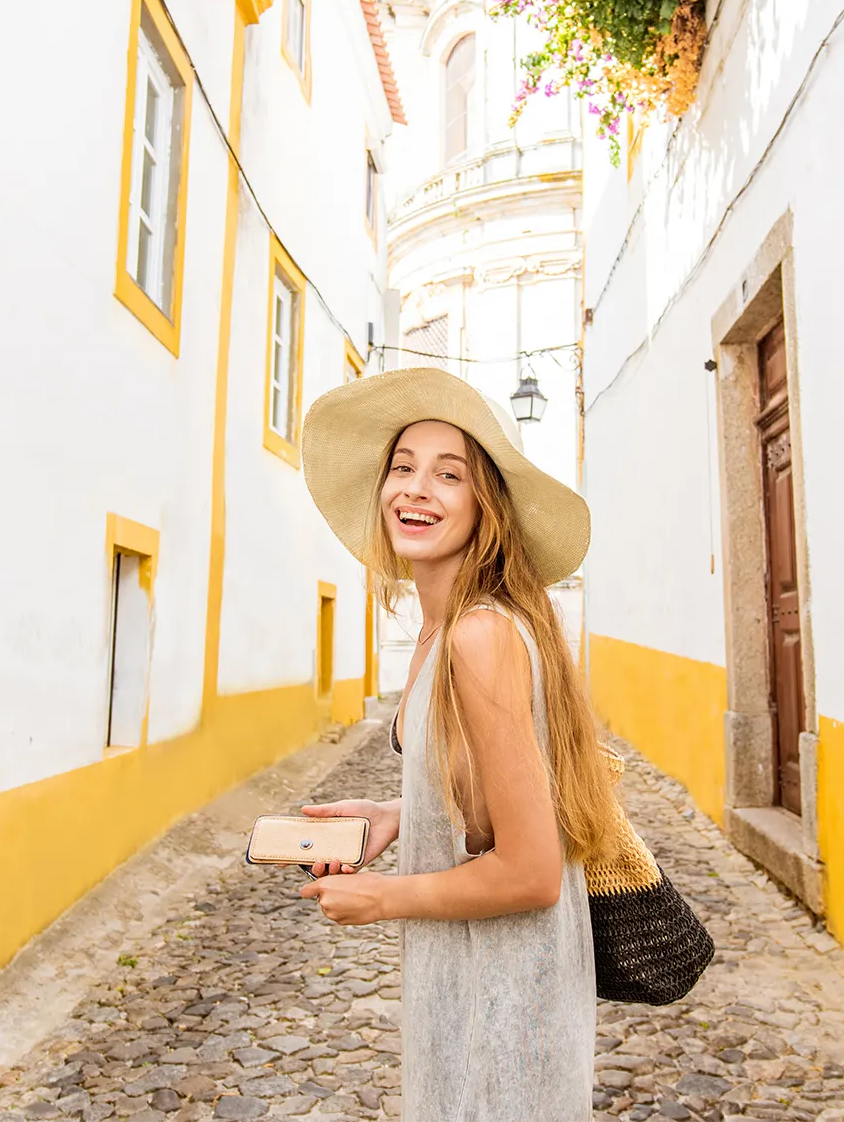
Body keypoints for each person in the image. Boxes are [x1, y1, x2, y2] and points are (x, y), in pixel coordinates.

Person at [293, 367, 614, 1122]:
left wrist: (382, 897)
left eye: (448, 474)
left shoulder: (479, 635)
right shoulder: (443, 630)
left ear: (485, 507)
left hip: (504, 1017)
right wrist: (398, 811)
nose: (416, 489)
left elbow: (533, 871)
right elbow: (482, 794)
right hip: (465, 993)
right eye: (402, 467)